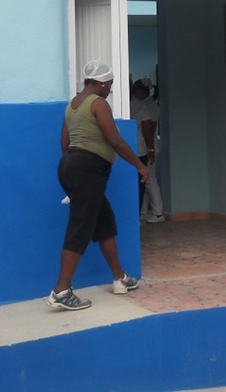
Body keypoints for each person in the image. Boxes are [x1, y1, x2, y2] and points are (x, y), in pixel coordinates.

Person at [47, 60, 149, 311]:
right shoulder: (98, 103)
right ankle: (61, 291)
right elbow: (115, 140)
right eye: (110, 85)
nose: (110, 90)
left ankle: (120, 278)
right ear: (101, 83)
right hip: (87, 172)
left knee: (104, 223)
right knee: (79, 229)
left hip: (70, 165)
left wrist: (73, 173)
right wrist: (139, 165)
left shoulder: (72, 105)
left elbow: (65, 141)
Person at [130, 78, 165, 223]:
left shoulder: (147, 105)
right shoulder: (144, 104)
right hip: (145, 146)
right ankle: (143, 212)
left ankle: (158, 213)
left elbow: (149, 128)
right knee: (145, 181)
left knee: (149, 180)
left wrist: (150, 147)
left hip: (148, 147)